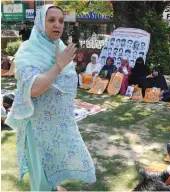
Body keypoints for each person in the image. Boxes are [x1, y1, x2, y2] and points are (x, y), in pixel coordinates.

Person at [5, 5, 96, 191]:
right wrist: (58, 65)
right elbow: (35, 88)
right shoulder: (27, 50)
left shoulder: (60, 48)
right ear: (40, 22)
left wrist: (61, 65)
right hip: (36, 127)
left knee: (51, 171)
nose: (58, 25)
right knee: (41, 181)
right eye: (51, 20)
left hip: (56, 126)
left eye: (61, 21)